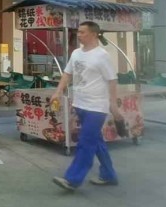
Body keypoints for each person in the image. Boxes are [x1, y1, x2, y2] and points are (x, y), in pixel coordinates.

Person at [51, 21, 121, 191]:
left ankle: (72, 179)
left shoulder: (102, 56)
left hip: (97, 106)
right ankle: (109, 175)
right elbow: (67, 74)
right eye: (78, 32)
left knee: (86, 142)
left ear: (94, 34)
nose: (79, 35)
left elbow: (112, 80)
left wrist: (113, 105)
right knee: (96, 141)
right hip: (80, 104)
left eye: (83, 32)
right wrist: (58, 92)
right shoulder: (76, 53)